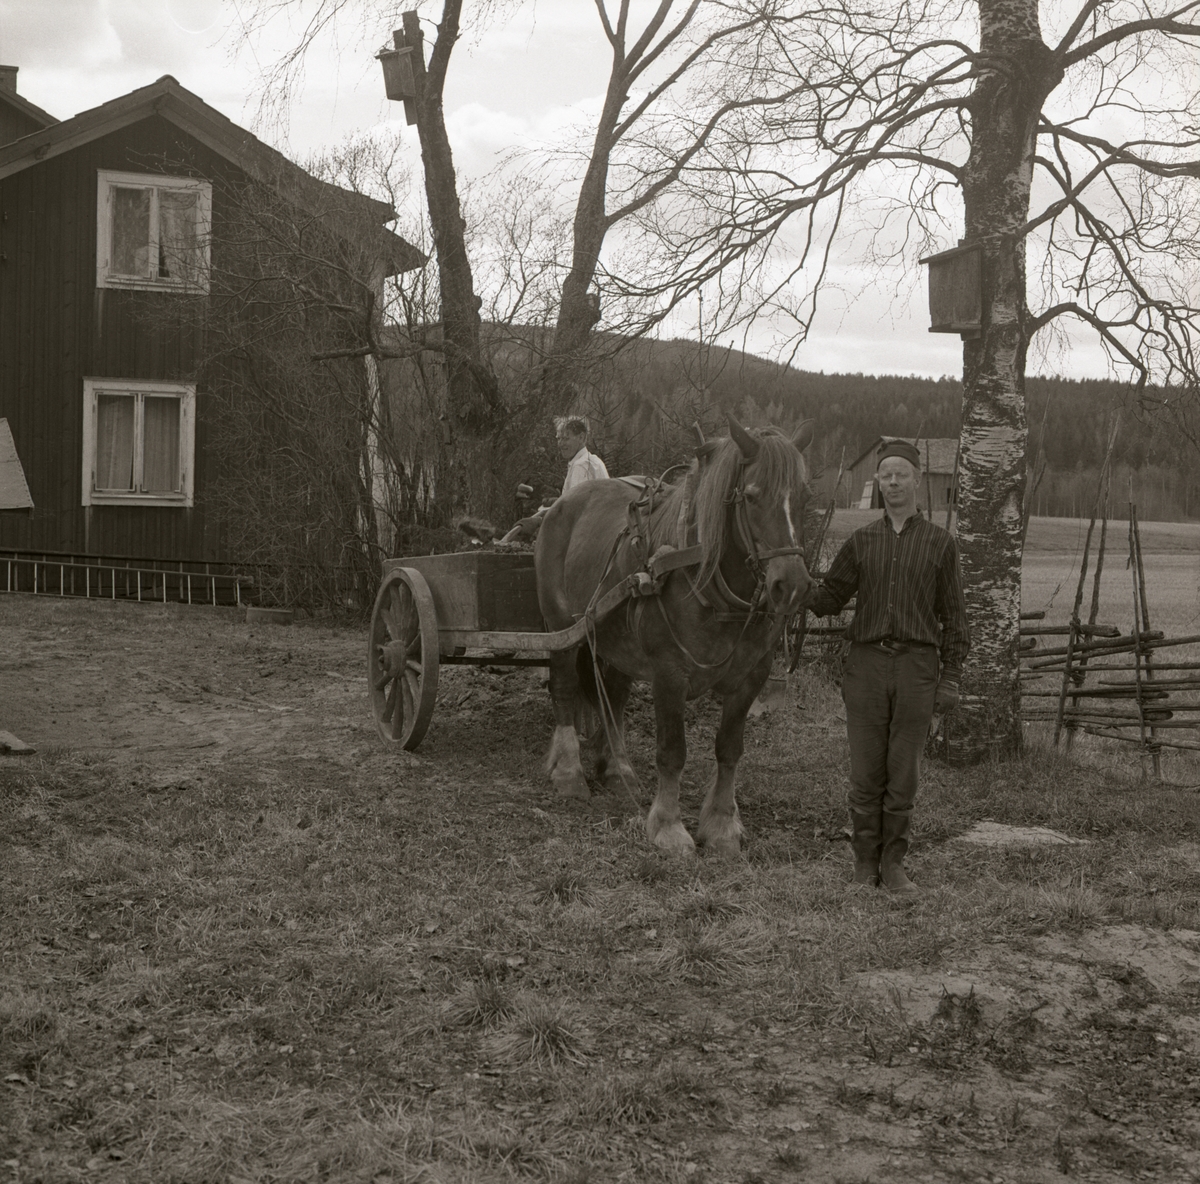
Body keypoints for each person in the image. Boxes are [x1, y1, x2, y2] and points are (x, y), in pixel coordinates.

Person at [804, 439, 969, 899]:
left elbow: (956, 617)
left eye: (901, 474)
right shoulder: (862, 541)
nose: (893, 481)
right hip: (867, 666)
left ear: (917, 479)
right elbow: (829, 598)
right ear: (878, 482)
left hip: (917, 667)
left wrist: (950, 677)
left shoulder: (940, 544)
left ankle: (894, 864)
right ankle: (863, 863)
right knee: (865, 771)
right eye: (885, 475)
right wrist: (794, 585)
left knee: (904, 772)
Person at [502, 416, 609, 542]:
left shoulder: (582, 465)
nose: (561, 444)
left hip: (587, 537)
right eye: (559, 439)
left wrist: (540, 520)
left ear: (581, 437)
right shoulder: (592, 460)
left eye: (566, 438)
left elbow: (575, 511)